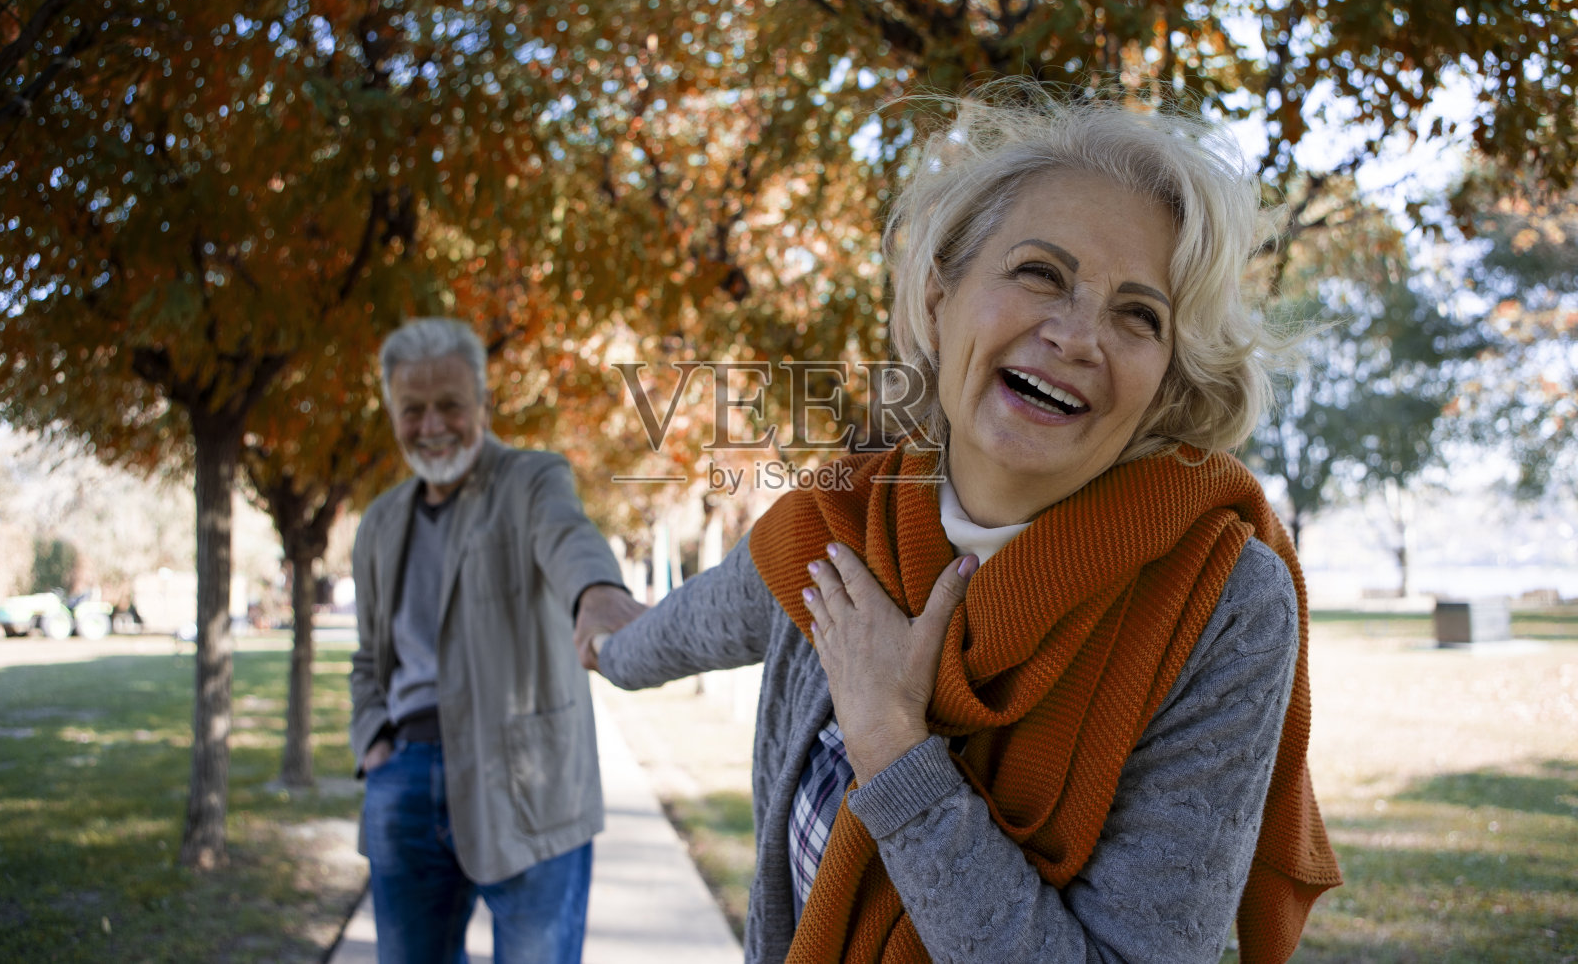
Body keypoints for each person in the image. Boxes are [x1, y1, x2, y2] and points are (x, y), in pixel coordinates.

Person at [584, 88, 1343, 963]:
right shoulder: (844, 521)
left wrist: (893, 748)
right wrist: (603, 634)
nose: (1077, 335)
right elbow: (678, 628)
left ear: (1167, 381)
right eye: (1039, 273)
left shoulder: (1219, 599)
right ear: (940, 298)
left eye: (1140, 314)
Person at [349, 316, 640, 964]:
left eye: (450, 404)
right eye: (412, 408)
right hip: (404, 779)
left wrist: (597, 592)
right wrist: (374, 743)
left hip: (528, 781)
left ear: (481, 402)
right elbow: (368, 655)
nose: (432, 424)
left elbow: (568, 536)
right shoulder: (378, 522)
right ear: (392, 410)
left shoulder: (531, 481)